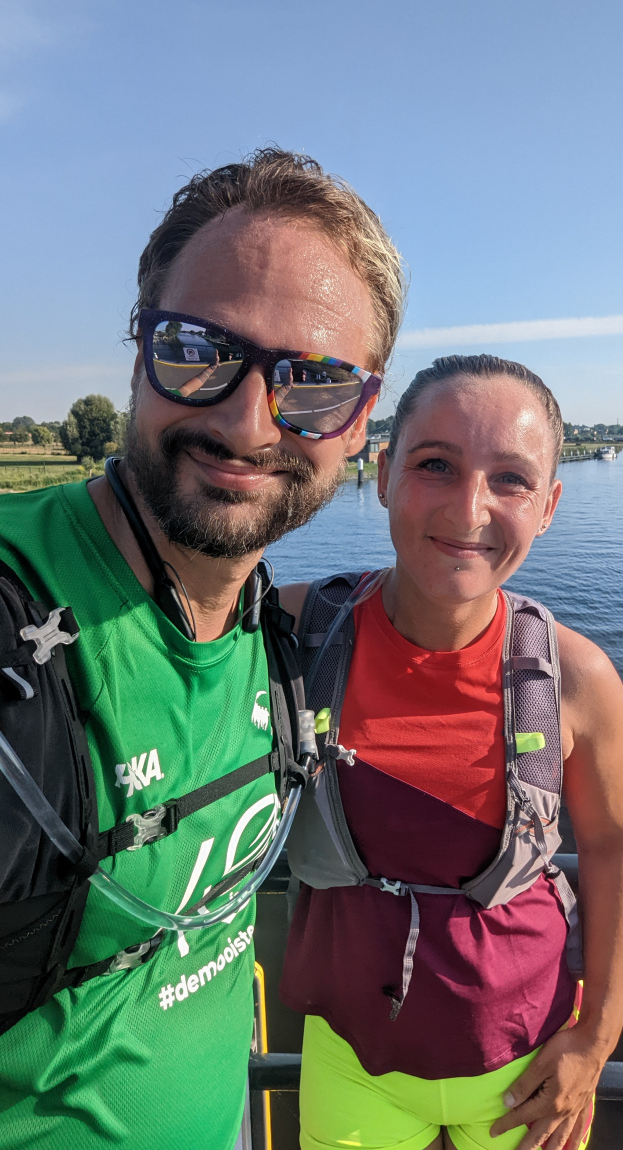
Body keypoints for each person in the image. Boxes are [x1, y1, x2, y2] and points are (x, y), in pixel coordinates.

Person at [0, 149, 404, 1149]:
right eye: (197, 349)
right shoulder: (22, 623)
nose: (245, 419)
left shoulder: (270, 623)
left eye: (312, 381)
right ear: (138, 349)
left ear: (359, 419)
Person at [280, 355, 623, 1150]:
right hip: (352, 1055)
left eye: (510, 479)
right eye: (435, 464)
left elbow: (615, 844)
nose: (468, 507)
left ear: (548, 505)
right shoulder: (298, 635)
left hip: (526, 1063)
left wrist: (599, 1035)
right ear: (381, 475)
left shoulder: (575, 679)